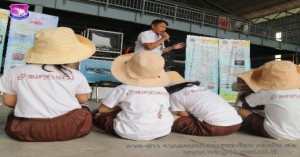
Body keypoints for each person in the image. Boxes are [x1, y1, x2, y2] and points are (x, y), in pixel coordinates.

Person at [0, 27, 96, 142]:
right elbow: (82, 99)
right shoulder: (76, 75)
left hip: (26, 130)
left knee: (14, 112)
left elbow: (9, 102)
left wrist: (29, 101)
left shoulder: (14, 72)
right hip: (70, 127)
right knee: (85, 107)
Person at [92, 51, 174, 140]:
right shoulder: (162, 90)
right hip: (162, 130)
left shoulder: (123, 89)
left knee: (97, 115)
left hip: (128, 132)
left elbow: (102, 109)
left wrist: (118, 109)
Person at [232, 60, 300, 140]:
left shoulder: (267, 92)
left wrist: (246, 89)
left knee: (241, 110)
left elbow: (241, 104)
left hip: (277, 133)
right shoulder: (297, 91)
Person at [166, 71, 242, 136]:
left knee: (167, 117)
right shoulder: (201, 88)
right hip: (236, 124)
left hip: (215, 128)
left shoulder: (175, 95)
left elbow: (184, 116)